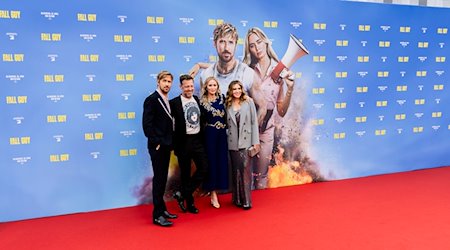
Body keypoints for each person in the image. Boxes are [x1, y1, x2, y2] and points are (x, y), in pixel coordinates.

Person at [243, 27, 295, 189]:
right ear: (249, 49)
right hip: (247, 128)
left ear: (266, 42)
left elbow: (281, 111)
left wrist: (290, 89)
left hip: (266, 129)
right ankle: (245, 205)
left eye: (259, 42)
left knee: (262, 176)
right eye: (252, 45)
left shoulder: (279, 71)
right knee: (244, 173)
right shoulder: (247, 69)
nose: (257, 48)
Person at [190, 23, 267, 126]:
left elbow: (262, 107)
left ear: (236, 44)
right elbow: (204, 109)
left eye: (230, 42)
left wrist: (249, 136)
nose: (226, 47)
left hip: (238, 139)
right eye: (222, 42)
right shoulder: (206, 74)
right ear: (214, 43)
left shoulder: (248, 74)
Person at [142, 70, 178, 227]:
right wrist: (157, 143)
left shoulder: (165, 99)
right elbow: (147, 126)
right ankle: (157, 215)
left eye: (169, 82)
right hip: (158, 147)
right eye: (164, 81)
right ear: (158, 81)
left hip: (166, 146)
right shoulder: (151, 100)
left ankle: (162, 209)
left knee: (162, 179)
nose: (167, 84)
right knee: (158, 180)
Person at [170, 74, 208, 214]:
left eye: (191, 86)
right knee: (185, 174)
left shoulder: (196, 99)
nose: (189, 88)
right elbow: (170, 125)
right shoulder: (174, 103)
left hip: (197, 140)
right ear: (181, 87)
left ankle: (182, 193)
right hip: (183, 142)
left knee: (204, 168)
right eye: (186, 86)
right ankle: (190, 203)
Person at [225, 80, 260, 210]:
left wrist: (255, 142)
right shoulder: (227, 104)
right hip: (233, 143)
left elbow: (254, 123)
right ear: (231, 91)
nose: (237, 91)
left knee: (245, 171)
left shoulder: (248, 102)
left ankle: (247, 200)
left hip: (246, 142)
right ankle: (237, 199)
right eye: (234, 89)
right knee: (235, 172)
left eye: (239, 88)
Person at [199, 76, 228, 208]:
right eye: (210, 85)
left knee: (221, 161)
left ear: (217, 86)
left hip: (222, 135)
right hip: (209, 135)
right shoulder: (202, 102)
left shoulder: (222, 99)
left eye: (214, 85)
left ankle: (219, 188)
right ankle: (213, 193)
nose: (212, 87)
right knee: (211, 163)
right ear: (206, 87)